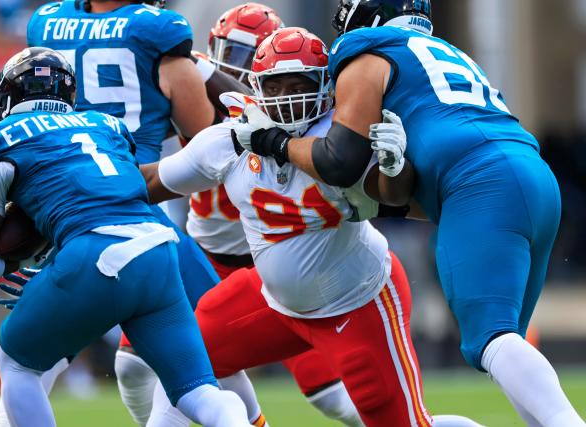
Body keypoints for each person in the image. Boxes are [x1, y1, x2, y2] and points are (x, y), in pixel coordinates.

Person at [230, 1, 585, 426]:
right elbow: (405, 196)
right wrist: (389, 176)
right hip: (533, 174)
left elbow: (339, 159)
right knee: (502, 343)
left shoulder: (367, 52)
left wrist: (275, 142)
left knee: (491, 338)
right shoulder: (448, 54)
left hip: (479, 180)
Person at [142, 26, 483, 427]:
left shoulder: (341, 141)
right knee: (182, 361)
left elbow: (397, 198)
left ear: (326, 85)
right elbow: (149, 183)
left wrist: (396, 168)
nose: (288, 97)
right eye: (276, 85)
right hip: (272, 301)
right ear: (257, 87)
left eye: (298, 83)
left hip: (357, 302)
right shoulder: (230, 140)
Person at [0, 2, 258, 427]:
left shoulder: (46, 23)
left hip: (61, 209)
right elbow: (199, 129)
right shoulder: (158, 29)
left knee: (30, 363)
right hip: (137, 207)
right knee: (211, 351)